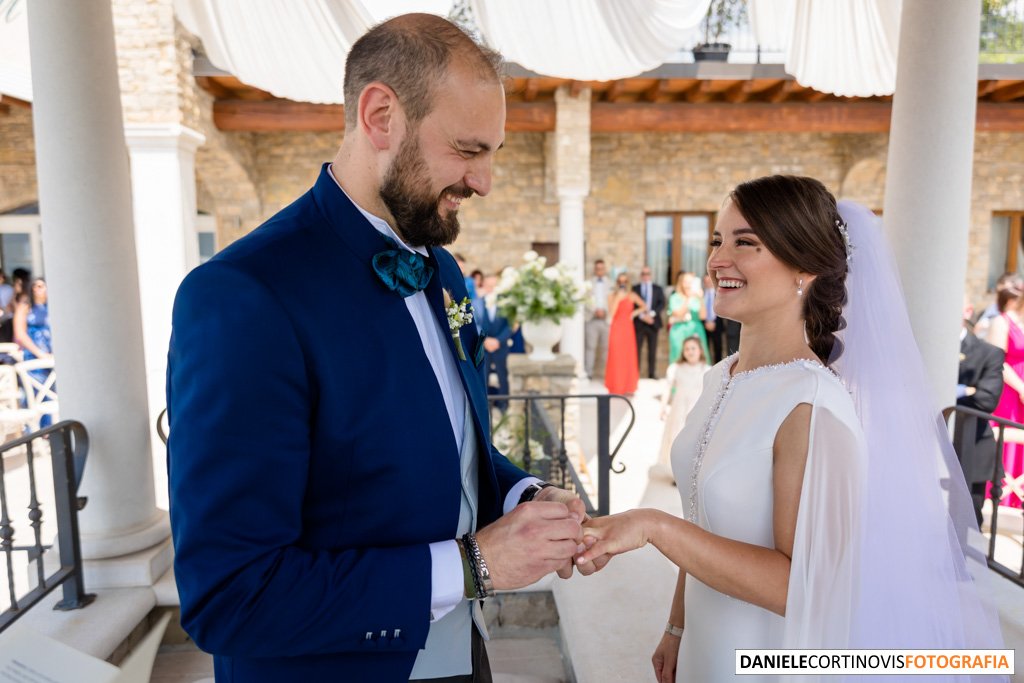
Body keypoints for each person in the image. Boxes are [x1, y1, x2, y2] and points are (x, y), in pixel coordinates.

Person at [167, 15, 600, 683]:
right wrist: (473, 565)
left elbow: (453, 447)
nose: (484, 181)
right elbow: (231, 594)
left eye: (493, 153)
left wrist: (523, 495)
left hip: (465, 658)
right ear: (380, 117)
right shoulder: (243, 296)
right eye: (467, 149)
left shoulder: (442, 270)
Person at [577, 176, 1004, 681]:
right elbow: (704, 520)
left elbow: (806, 589)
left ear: (804, 268)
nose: (716, 260)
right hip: (703, 650)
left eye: (745, 243)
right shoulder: (721, 377)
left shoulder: (811, 403)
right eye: (717, 240)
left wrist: (654, 526)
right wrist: (677, 626)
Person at [957, 296, 1005, 526]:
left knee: (969, 522)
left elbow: (987, 399)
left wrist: (955, 392)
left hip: (971, 446)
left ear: (967, 311)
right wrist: (966, 390)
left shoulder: (988, 353)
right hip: (924, 446)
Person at [985, 279, 1024, 508]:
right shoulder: (1001, 322)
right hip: (1009, 392)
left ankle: (1018, 498)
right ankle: (1000, 497)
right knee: (1006, 438)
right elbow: (998, 362)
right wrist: (1021, 388)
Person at [656, 336, 708, 477]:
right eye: (687, 349)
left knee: (696, 441)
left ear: (700, 350)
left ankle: (694, 473)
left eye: (693, 348)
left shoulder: (707, 370)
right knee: (678, 440)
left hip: (697, 411)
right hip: (679, 411)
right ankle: (678, 474)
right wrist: (662, 408)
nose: (690, 352)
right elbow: (667, 389)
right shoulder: (676, 368)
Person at [604, 272, 646, 395]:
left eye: (625, 282)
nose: (622, 284)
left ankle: (628, 386)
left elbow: (644, 306)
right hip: (616, 328)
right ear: (616, 283)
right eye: (620, 282)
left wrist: (633, 314)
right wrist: (618, 298)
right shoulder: (611, 296)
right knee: (616, 356)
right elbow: (611, 314)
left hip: (628, 328)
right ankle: (616, 386)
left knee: (628, 356)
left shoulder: (632, 295)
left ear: (628, 283)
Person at [478, 273, 512, 411]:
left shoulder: (506, 304)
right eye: (488, 286)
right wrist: (485, 340)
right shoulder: (477, 303)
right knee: (483, 376)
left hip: (500, 346)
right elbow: (475, 323)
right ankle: (485, 407)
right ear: (483, 286)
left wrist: (498, 341)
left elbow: (510, 325)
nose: (491, 288)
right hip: (483, 346)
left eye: (494, 286)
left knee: (502, 375)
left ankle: (504, 405)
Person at [667, 271, 709, 365]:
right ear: (681, 283)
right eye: (686, 282)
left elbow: (703, 316)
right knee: (678, 356)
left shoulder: (697, 298)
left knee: (699, 357)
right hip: (679, 331)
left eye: (690, 282)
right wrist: (688, 298)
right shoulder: (675, 297)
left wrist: (701, 299)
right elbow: (678, 314)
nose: (688, 284)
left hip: (696, 330)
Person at [632, 266, 665, 379]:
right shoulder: (635, 288)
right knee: (637, 349)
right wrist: (642, 316)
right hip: (639, 323)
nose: (645, 276)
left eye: (647, 273)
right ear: (641, 275)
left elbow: (661, 303)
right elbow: (632, 305)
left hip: (653, 322)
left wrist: (651, 314)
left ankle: (652, 373)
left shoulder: (657, 288)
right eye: (643, 274)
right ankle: (635, 374)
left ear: (651, 275)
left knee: (652, 349)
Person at [584, 259, 610, 379]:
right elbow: (585, 300)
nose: (599, 271)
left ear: (604, 269)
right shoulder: (588, 284)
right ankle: (588, 373)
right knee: (590, 347)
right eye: (597, 269)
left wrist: (605, 311)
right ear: (595, 270)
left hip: (606, 320)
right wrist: (595, 310)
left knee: (606, 348)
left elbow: (612, 300)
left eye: (601, 268)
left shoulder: (610, 284)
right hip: (592, 319)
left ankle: (607, 375)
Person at [701, 273, 723, 363]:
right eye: (706, 281)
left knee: (718, 348)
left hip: (717, 325)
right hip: (704, 325)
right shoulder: (701, 294)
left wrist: (714, 322)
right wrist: (705, 322)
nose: (708, 283)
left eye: (709, 281)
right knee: (705, 348)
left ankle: (717, 367)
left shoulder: (720, 294)